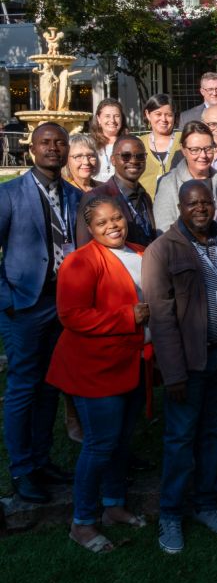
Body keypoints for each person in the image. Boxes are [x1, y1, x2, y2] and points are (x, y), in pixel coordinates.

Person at [143, 180, 217, 554]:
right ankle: (170, 514)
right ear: (181, 207)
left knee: (213, 435)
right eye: (192, 203)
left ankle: (206, 504)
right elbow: (162, 317)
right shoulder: (162, 250)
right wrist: (173, 374)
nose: (200, 208)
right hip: (188, 362)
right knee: (180, 439)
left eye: (206, 202)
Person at [47, 196, 149, 552]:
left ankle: (113, 505)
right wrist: (127, 318)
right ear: (89, 229)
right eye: (102, 223)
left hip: (132, 364)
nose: (112, 226)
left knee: (120, 441)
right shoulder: (81, 262)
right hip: (94, 370)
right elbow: (71, 315)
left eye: (116, 218)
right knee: (100, 445)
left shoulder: (140, 251)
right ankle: (82, 522)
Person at [0, 123, 82, 503]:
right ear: (32, 150)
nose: (53, 148)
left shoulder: (72, 195)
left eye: (59, 142)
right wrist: (7, 298)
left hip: (62, 303)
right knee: (22, 388)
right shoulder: (10, 194)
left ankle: (41, 459)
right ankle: (21, 470)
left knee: (50, 385)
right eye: (45, 143)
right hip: (25, 306)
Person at [153, 121, 217, 232]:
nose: (203, 155)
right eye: (195, 150)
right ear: (183, 150)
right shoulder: (168, 183)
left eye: (208, 149)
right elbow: (164, 231)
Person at [77, 136, 156, 247]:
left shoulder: (144, 196)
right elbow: (85, 249)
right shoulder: (95, 196)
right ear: (113, 160)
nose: (133, 161)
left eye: (140, 156)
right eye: (126, 156)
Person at [140, 94, 182, 195]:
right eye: (158, 114)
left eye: (169, 115)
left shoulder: (184, 140)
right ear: (148, 114)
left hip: (178, 204)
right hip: (146, 206)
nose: (163, 119)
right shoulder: (138, 144)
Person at [90, 98, 126, 183]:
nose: (112, 120)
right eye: (107, 116)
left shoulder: (128, 143)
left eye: (116, 116)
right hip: (95, 192)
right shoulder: (90, 144)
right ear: (98, 119)